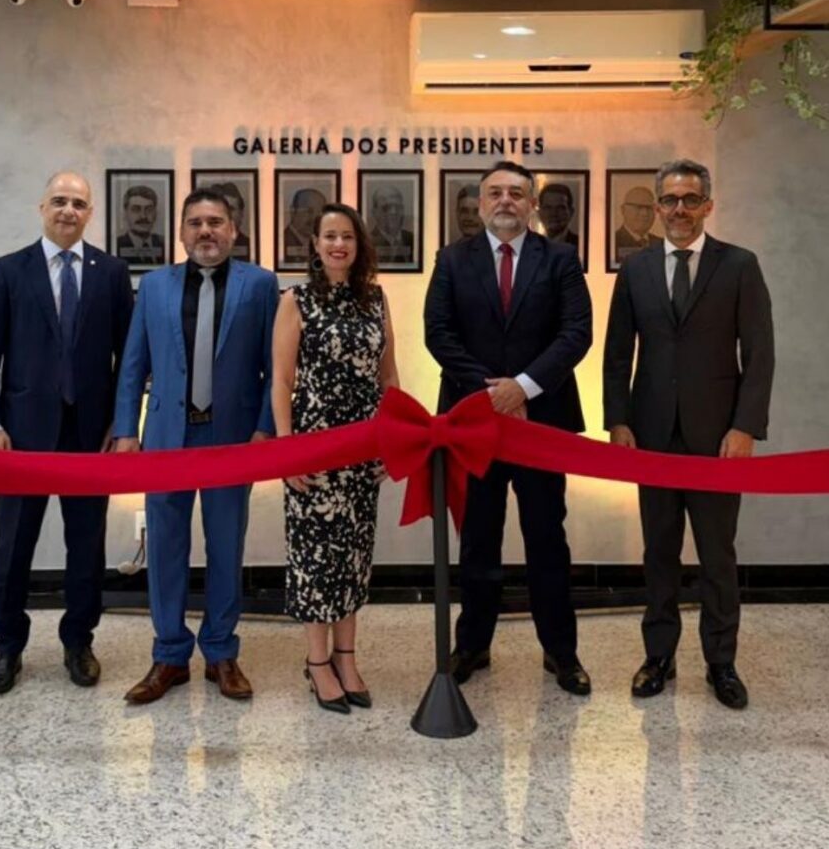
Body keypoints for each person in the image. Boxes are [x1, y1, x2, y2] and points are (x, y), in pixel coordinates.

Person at [603, 158, 774, 710]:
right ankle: (659, 656)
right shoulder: (636, 270)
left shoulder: (740, 265)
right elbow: (617, 354)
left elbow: (760, 355)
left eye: (690, 199)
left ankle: (721, 663)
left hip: (718, 439)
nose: (680, 209)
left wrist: (745, 426)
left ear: (707, 205)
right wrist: (618, 420)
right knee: (659, 553)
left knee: (718, 556)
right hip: (651, 436)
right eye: (671, 200)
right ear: (657, 208)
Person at [424, 161, 593, 695]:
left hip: (542, 422)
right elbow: (438, 334)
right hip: (472, 424)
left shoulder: (560, 259)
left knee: (547, 537)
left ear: (532, 204)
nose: (505, 201)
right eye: (495, 192)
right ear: (479, 204)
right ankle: (473, 645)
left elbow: (576, 333)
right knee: (478, 538)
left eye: (516, 193)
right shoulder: (452, 259)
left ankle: (561, 653)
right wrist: (493, 394)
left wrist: (522, 387)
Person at [0, 171, 134, 694]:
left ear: (90, 214)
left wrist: (122, 422)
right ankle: (7, 645)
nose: (68, 210)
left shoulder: (112, 273)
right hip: (20, 438)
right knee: (12, 545)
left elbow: (129, 358)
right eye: (59, 200)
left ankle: (78, 641)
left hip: (91, 437)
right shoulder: (7, 271)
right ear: (42, 207)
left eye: (78, 203)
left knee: (86, 547)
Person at [114, 188, 278, 705]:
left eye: (216, 222)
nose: (206, 231)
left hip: (232, 439)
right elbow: (133, 363)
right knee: (165, 547)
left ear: (234, 230)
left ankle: (221, 652)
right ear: (182, 232)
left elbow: (276, 365)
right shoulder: (154, 286)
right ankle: (169, 655)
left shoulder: (260, 284)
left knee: (226, 546)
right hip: (167, 438)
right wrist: (126, 430)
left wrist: (266, 428)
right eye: (195, 223)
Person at [272, 204, 399, 713]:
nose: (338, 244)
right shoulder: (295, 300)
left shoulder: (376, 299)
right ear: (315, 244)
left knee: (353, 558)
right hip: (314, 449)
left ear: (358, 243)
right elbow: (282, 380)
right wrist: (286, 450)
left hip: (364, 449)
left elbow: (389, 377)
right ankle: (317, 662)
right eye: (329, 236)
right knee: (315, 560)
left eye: (347, 235)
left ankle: (347, 658)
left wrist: (394, 440)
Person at [116, 184, 166, 265]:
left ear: (155, 213)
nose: (143, 216)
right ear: (125, 213)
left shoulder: (164, 243)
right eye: (136, 209)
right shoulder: (117, 245)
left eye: (149, 210)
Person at [202, 180, 251, 261]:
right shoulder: (199, 246)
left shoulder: (251, 245)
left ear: (241, 213)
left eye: (231, 209)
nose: (226, 215)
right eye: (219, 210)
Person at [614, 184, 663, 263]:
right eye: (638, 207)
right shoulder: (613, 242)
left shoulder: (662, 244)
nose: (645, 213)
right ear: (623, 210)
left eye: (649, 208)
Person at [369, 182, 414, 265]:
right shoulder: (367, 242)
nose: (393, 212)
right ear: (374, 212)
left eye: (398, 207)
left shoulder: (413, 239)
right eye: (386, 207)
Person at [283, 186, 326, 263]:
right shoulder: (282, 243)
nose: (313, 218)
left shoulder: (323, 244)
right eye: (309, 211)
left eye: (319, 213)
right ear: (293, 211)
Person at [537, 183, 580, 252]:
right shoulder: (530, 246)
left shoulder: (582, 245)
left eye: (560, 208)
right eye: (548, 208)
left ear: (571, 212)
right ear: (539, 213)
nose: (553, 214)